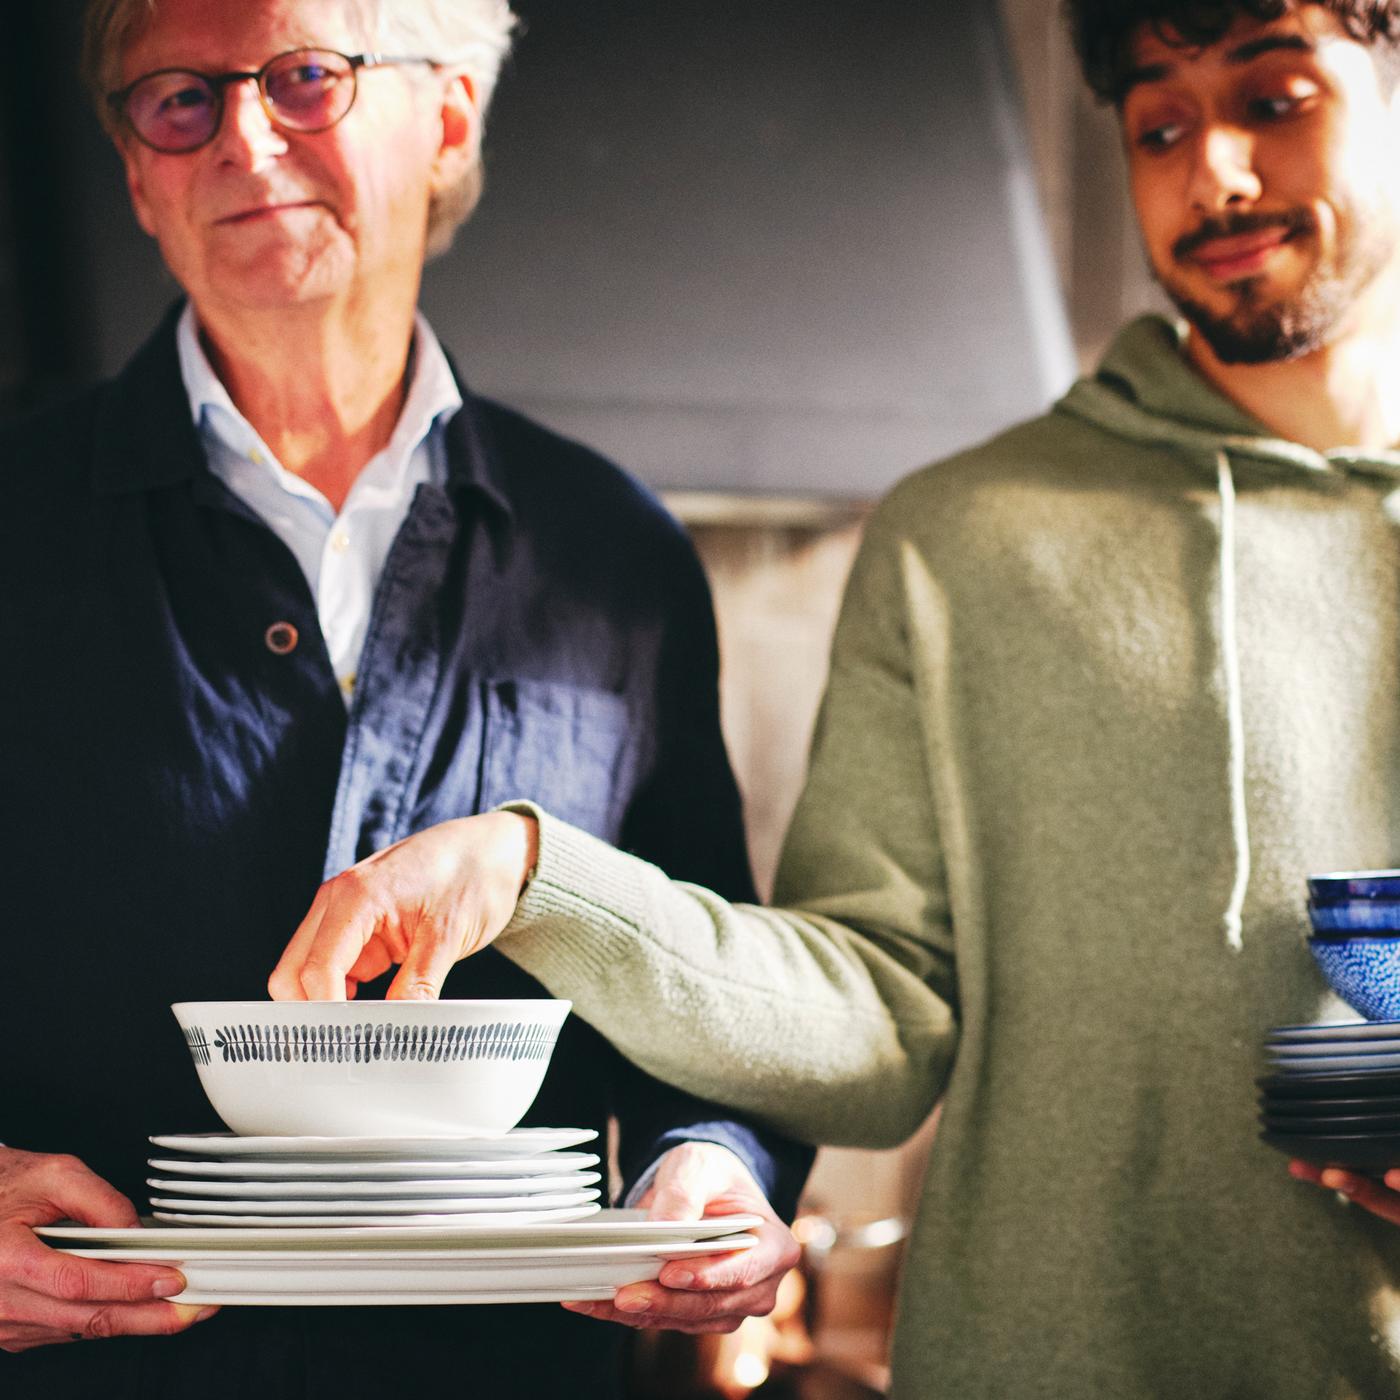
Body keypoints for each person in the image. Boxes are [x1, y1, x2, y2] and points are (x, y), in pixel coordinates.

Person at [269, 1, 1400, 1394]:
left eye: (1275, 100)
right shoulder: (967, 536)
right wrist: (532, 878)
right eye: (1159, 124)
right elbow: (875, 1017)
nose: (1212, 171)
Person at [0, 0, 812, 1394]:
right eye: (180, 100)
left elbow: (704, 970)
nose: (243, 138)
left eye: (303, 79)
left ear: (445, 119)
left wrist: (712, 1164)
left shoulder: (613, 549)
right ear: (137, 174)